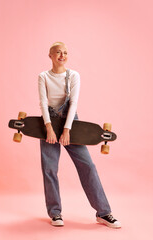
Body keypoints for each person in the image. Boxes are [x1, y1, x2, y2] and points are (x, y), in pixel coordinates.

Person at [38, 42, 121, 228]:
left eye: (65, 52)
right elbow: (43, 103)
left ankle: (104, 213)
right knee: (49, 168)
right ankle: (55, 214)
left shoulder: (73, 75)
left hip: (71, 122)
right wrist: (49, 128)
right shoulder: (43, 76)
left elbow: (73, 103)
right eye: (58, 52)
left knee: (88, 165)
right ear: (50, 55)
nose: (62, 55)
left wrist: (67, 130)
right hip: (48, 122)